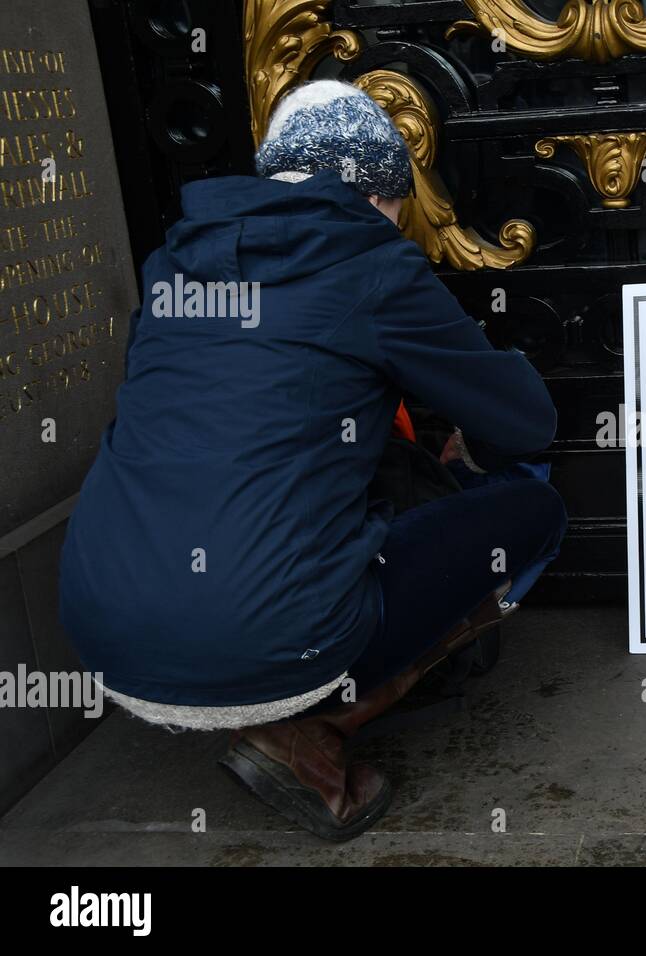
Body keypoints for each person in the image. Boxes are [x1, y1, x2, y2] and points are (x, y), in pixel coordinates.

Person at [58, 80, 567, 840]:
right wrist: (474, 447)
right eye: (401, 211)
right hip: (269, 640)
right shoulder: (369, 261)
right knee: (534, 508)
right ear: (376, 195)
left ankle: (279, 689)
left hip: (102, 635)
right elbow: (529, 422)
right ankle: (318, 725)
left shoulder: (173, 266)